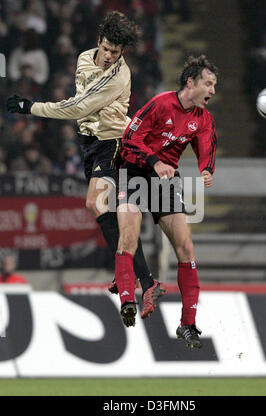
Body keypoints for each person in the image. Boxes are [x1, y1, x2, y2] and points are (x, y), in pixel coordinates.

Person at [6, 11, 165, 319]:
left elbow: (79, 106)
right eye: (106, 49)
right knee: (104, 211)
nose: (108, 56)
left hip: (115, 142)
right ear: (98, 42)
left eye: (115, 53)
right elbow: (81, 101)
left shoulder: (119, 75)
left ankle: (132, 278)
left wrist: (31, 107)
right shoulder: (83, 59)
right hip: (91, 145)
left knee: (96, 203)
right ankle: (146, 281)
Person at [114, 55, 218, 348]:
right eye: (208, 83)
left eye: (214, 85)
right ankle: (126, 300)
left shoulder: (203, 119)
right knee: (129, 237)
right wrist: (155, 160)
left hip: (165, 180)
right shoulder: (160, 104)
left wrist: (206, 170)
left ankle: (188, 324)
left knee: (186, 247)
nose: (212, 90)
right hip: (133, 171)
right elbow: (129, 138)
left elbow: (206, 148)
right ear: (191, 83)